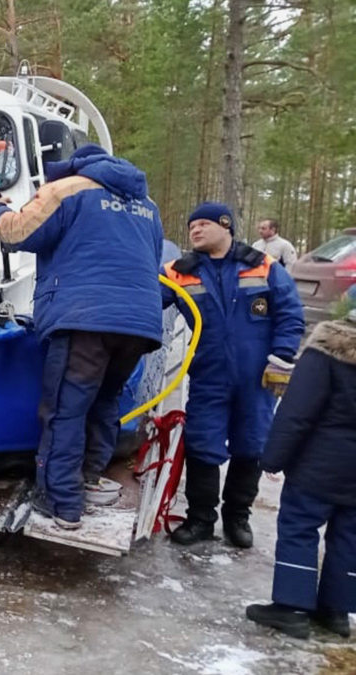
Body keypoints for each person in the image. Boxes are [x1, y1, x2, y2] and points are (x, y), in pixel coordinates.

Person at [0, 144, 165, 530]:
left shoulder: (67, 188)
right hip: (139, 324)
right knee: (104, 400)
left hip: (85, 319)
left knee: (66, 409)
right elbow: (151, 261)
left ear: (77, 163)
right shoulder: (146, 204)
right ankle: (86, 477)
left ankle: (60, 502)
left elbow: (17, 232)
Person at [162, 202, 305, 548]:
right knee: (203, 444)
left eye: (203, 224)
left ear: (226, 226)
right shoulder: (178, 271)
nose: (194, 230)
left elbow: (290, 313)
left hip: (258, 377)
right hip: (209, 375)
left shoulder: (264, 267)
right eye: (191, 226)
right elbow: (143, 301)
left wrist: (282, 357)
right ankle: (200, 520)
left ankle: (237, 517)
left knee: (251, 445)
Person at [245, 305, 356, 640]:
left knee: (299, 527)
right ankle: (336, 611)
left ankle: (291, 606)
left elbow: (297, 411)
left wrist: (272, 459)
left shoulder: (327, 349)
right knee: (350, 536)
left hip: (319, 466)